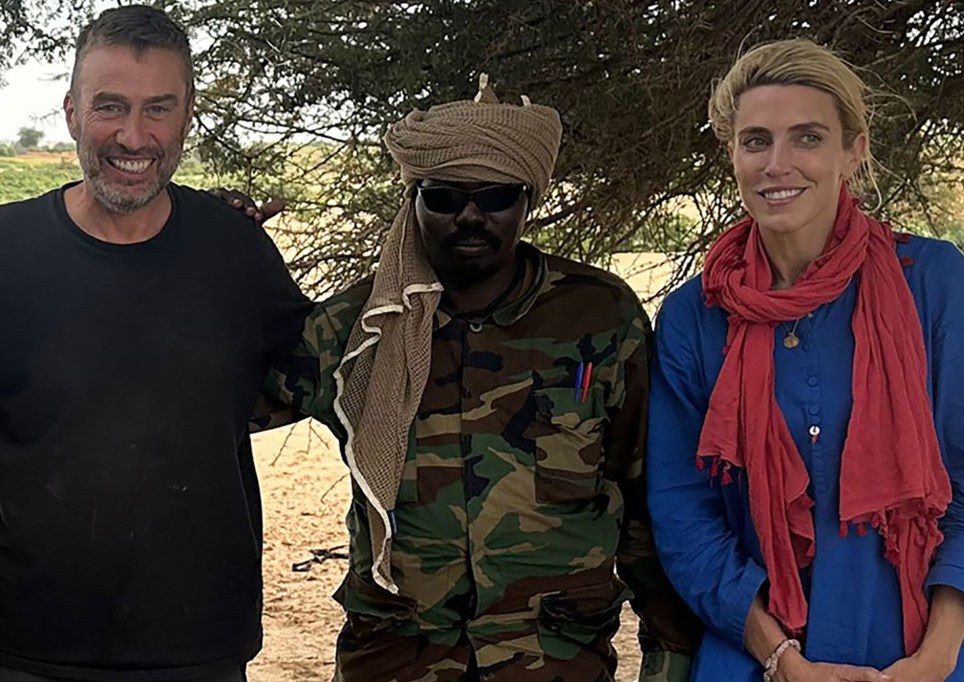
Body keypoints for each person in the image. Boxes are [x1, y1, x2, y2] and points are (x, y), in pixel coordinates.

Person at [262, 75, 702, 681]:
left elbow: (644, 499)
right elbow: (216, 395)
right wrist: (219, 245)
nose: (470, 215)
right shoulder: (360, 327)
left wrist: (670, 657)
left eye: (494, 196)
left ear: (527, 200)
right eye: (443, 197)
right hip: (396, 658)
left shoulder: (599, 315)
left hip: (553, 660)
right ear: (415, 201)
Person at [646, 38, 964, 682]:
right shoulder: (695, 316)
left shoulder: (929, 281)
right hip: (758, 657)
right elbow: (683, 515)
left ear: (855, 149)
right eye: (757, 140)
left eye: (809, 138)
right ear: (732, 153)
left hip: (927, 653)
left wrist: (935, 659)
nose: (778, 164)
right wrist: (780, 657)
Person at [0, 6, 310, 681]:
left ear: (187, 115)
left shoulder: (236, 252)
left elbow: (307, 380)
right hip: (25, 646)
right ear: (72, 113)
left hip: (198, 645)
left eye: (158, 109)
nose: (133, 135)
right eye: (110, 106)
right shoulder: (6, 250)